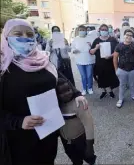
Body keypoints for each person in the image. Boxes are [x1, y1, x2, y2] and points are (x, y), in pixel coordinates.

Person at [0, 19, 88, 165]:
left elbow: (61, 80)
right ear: (6, 36)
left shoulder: (44, 61)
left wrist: (76, 94)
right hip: (18, 138)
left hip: (48, 131)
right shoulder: (3, 67)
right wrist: (18, 122)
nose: (25, 37)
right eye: (18, 33)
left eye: (29, 34)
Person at [56, 76, 96, 165]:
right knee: (75, 159)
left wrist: (90, 146)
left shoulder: (78, 104)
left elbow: (88, 125)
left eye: (68, 90)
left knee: (89, 158)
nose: (67, 93)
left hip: (80, 139)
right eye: (62, 92)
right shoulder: (57, 106)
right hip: (66, 141)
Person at [113, 29, 134, 108]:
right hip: (122, 69)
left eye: (130, 35)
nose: (129, 37)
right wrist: (116, 70)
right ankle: (120, 99)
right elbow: (115, 58)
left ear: (132, 37)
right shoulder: (119, 45)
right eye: (127, 35)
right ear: (124, 35)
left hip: (133, 69)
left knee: (132, 84)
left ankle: (133, 95)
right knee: (122, 85)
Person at [90, 24, 119, 99]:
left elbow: (117, 50)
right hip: (100, 63)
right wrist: (96, 48)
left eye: (105, 29)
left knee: (110, 77)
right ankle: (104, 91)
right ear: (99, 30)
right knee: (101, 77)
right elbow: (91, 52)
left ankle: (110, 91)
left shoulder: (112, 39)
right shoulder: (96, 40)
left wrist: (111, 56)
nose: (104, 31)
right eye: (102, 29)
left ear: (108, 30)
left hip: (110, 62)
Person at [72, 25, 95, 95]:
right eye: (80, 30)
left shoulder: (90, 38)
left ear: (86, 31)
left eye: (83, 30)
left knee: (89, 75)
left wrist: (91, 46)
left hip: (89, 60)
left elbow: (94, 48)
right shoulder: (75, 39)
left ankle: (90, 88)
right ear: (78, 31)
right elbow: (72, 48)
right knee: (83, 76)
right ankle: (84, 88)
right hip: (79, 60)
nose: (82, 31)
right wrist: (74, 50)